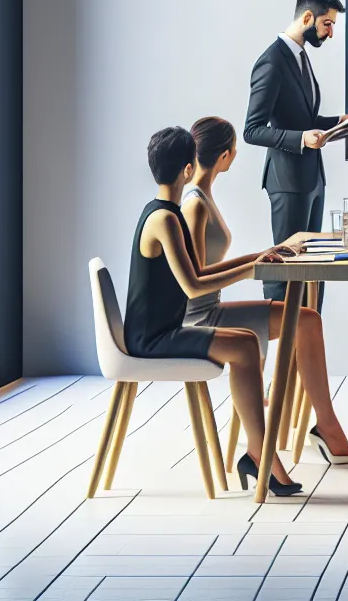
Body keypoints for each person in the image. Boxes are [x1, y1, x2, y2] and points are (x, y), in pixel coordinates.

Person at [125, 127, 299, 496]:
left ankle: (259, 452)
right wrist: (252, 270)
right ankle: (259, 453)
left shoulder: (162, 212)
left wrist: (254, 258)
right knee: (246, 346)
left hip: (162, 329)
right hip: (155, 337)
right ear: (188, 170)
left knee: (247, 344)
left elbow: (200, 272)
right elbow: (194, 286)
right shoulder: (167, 219)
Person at [180, 116, 348, 464]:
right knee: (306, 321)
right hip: (200, 317)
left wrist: (261, 255)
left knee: (307, 320)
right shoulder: (195, 205)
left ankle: (326, 425)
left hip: (210, 308)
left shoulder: (202, 195)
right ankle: (319, 430)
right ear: (225, 156)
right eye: (234, 149)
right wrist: (253, 267)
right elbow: (195, 277)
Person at [245, 0, 348, 302]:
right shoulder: (272, 61)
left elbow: (302, 116)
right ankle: (281, 346)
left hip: (312, 180)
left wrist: (336, 124)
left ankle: (307, 344)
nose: (330, 33)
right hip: (288, 182)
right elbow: (252, 130)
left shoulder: (300, 56)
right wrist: (302, 139)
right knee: (286, 270)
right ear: (307, 17)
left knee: (313, 269)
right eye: (327, 24)